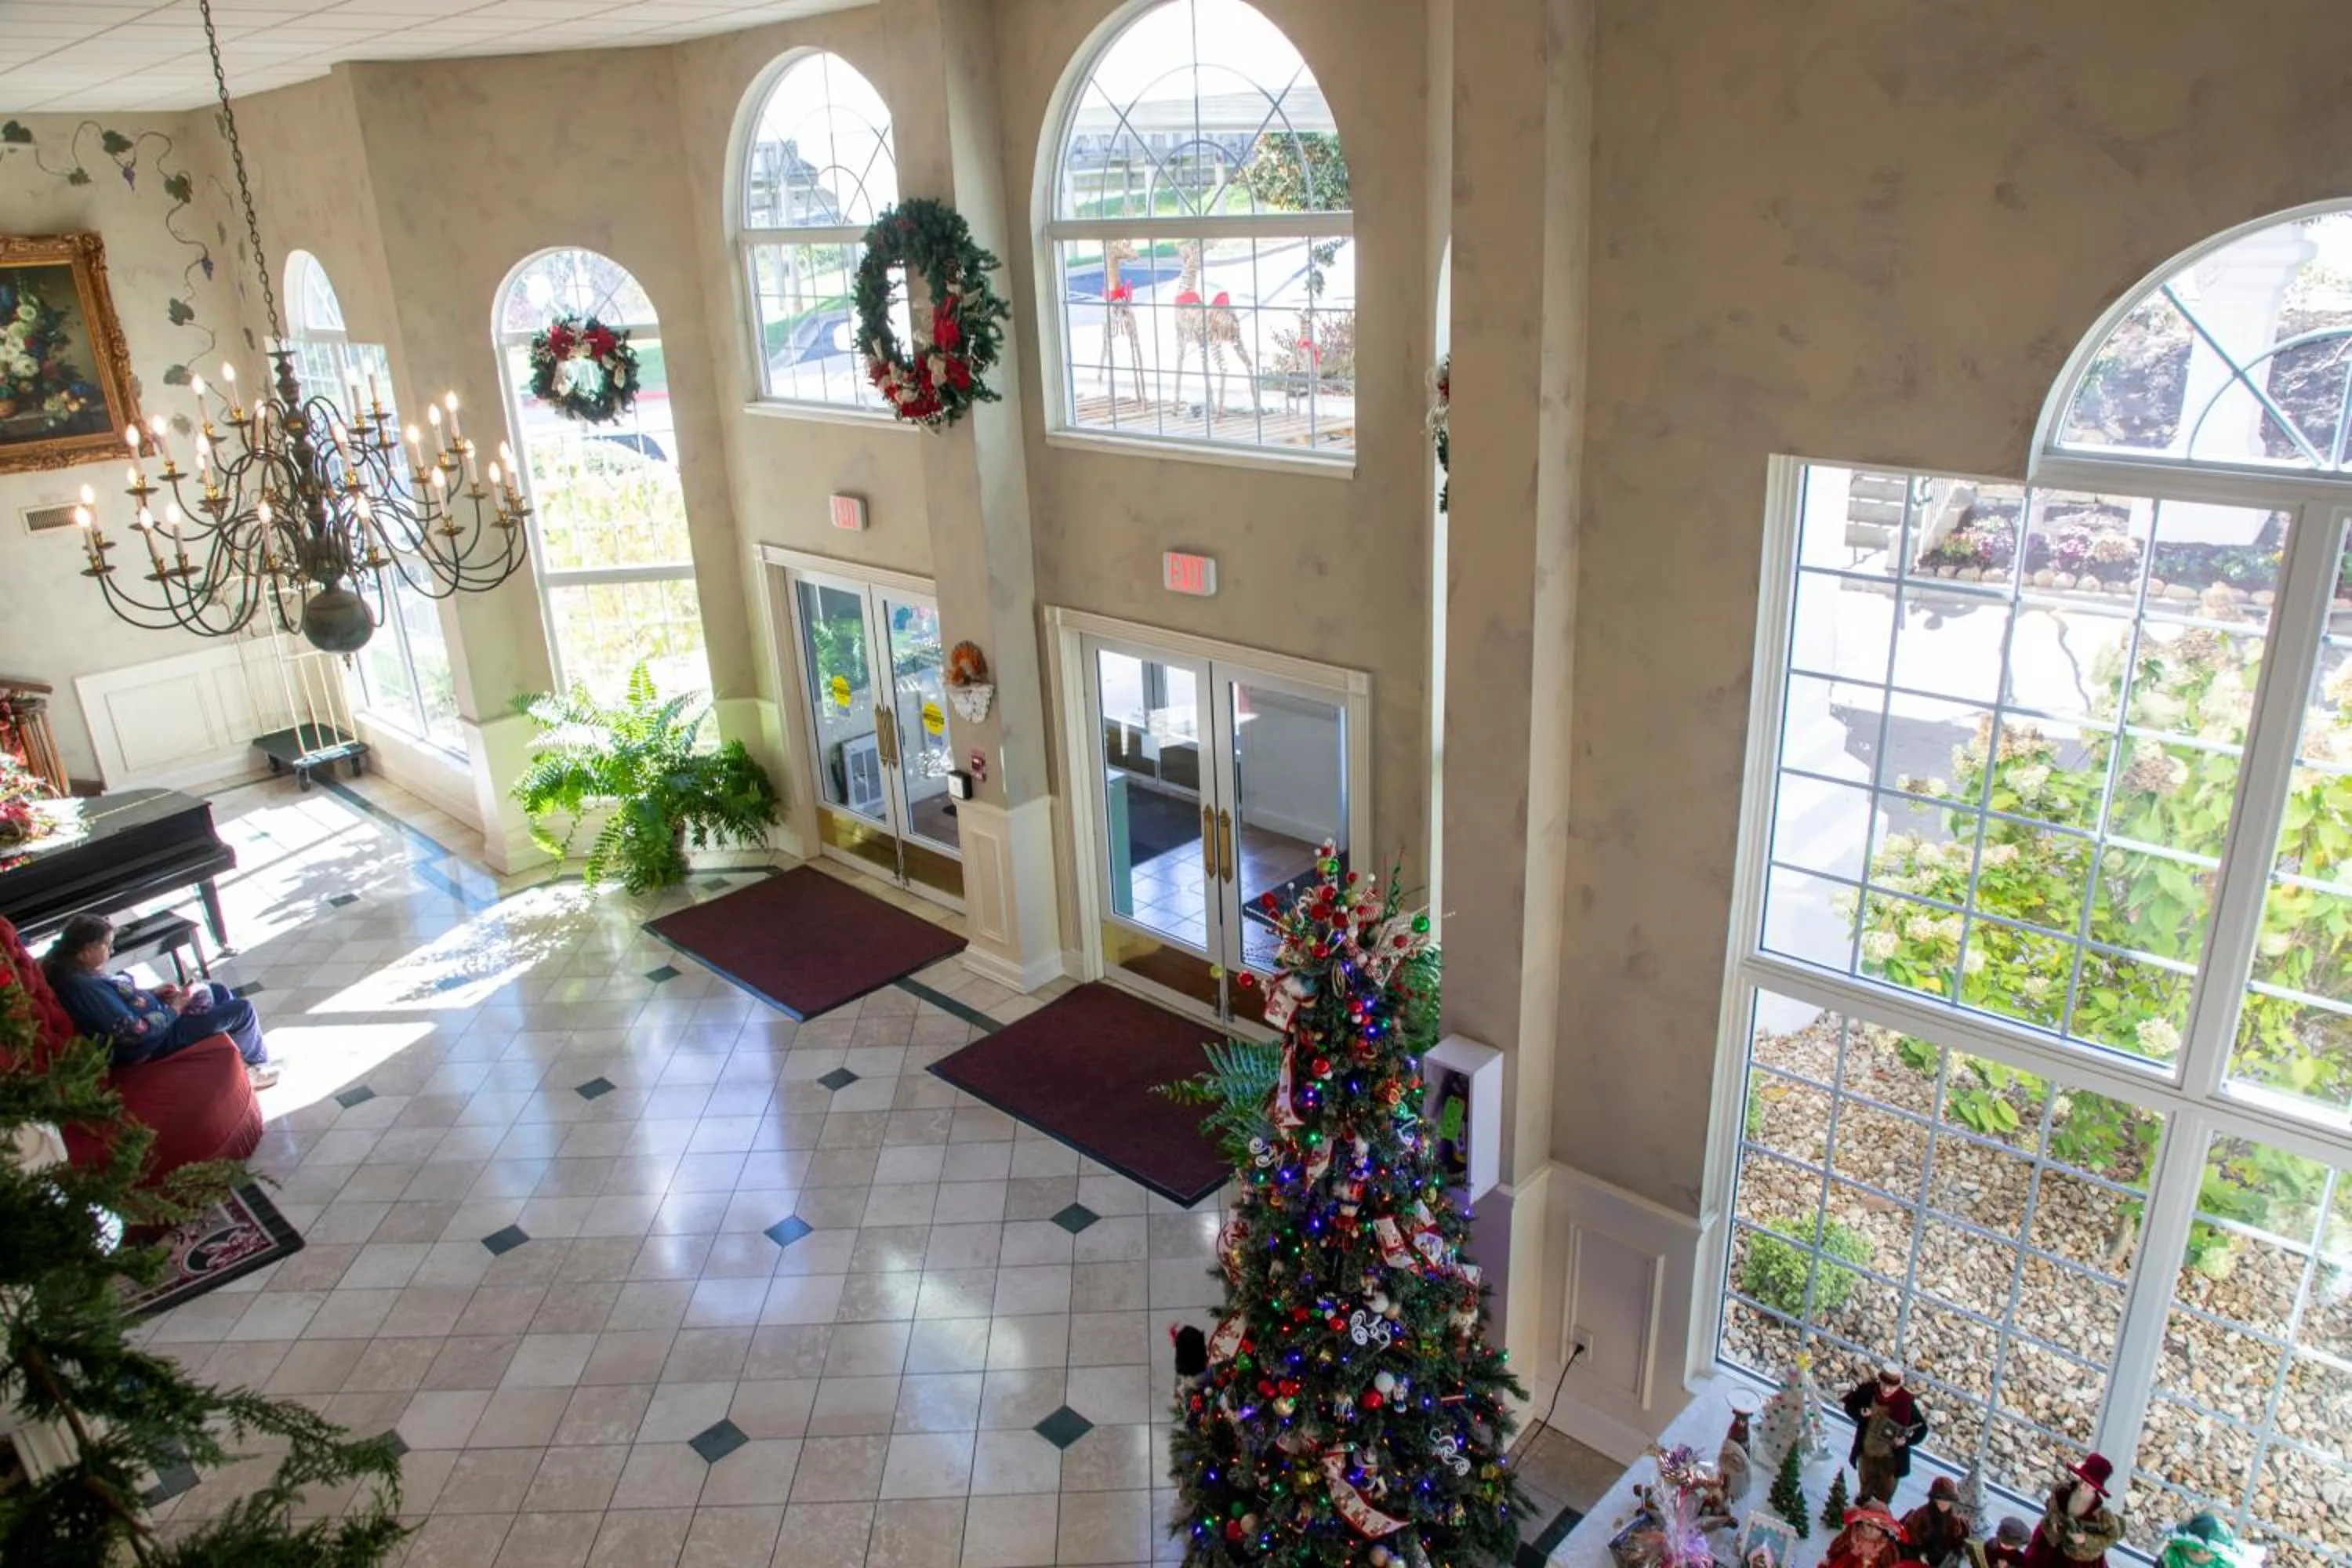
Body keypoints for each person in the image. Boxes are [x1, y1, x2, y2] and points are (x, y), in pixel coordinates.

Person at [43, 913, 278, 1088]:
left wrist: (154, 993)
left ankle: (240, 1063)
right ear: (85, 951)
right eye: (106, 945)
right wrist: (175, 1008)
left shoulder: (79, 970)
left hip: (159, 1022)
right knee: (242, 1010)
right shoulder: (86, 989)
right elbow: (135, 1032)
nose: (111, 951)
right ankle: (255, 1067)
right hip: (154, 1043)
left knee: (217, 991)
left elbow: (122, 1000)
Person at [1842, 1363, 1930, 1504]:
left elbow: (1922, 1429)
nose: (1886, 1389)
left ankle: (1880, 1511)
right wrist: (1860, 1414)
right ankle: (1863, 1503)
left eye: (1892, 1387)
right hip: (1867, 1452)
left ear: (1898, 1386)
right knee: (1865, 1482)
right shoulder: (1869, 1392)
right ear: (1879, 1381)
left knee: (1886, 1491)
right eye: (1883, 1384)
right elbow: (1849, 1406)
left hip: (1890, 1459)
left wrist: (1906, 1442)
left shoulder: (1906, 1403)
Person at [2022, 1454, 2125, 1568]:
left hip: (2079, 1558)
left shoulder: (2101, 1515)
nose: (2082, 1486)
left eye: (2088, 1484)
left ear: (2096, 1488)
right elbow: (2051, 1506)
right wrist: (2054, 1519)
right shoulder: (2062, 1492)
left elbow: (2112, 1537)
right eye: (2082, 1479)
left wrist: (2086, 1539)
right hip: (2049, 1545)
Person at [1901, 1475, 1973, 1568]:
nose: (1943, 1504)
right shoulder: (1921, 1515)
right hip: (1921, 1557)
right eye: (1940, 1499)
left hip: (1945, 1559)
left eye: (1947, 1500)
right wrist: (1920, 1554)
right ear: (1934, 1499)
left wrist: (1961, 1554)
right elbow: (1909, 1539)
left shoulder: (1956, 1520)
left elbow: (1960, 1543)